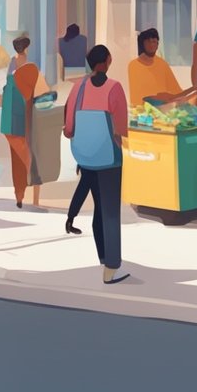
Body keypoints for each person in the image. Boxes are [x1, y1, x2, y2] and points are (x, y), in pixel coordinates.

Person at [63, 46, 130, 284]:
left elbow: (69, 127)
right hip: (108, 156)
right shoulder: (115, 88)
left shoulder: (77, 88)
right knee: (109, 210)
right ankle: (111, 268)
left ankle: (103, 256)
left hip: (85, 154)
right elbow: (121, 127)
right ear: (107, 61)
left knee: (99, 209)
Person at [1, 35, 50, 208]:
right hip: (26, 121)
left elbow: (6, 93)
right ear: (26, 49)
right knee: (33, 158)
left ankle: (19, 196)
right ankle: (35, 200)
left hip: (9, 123)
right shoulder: (31, 70)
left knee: (18, 160)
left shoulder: (11, 72)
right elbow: (44, 94)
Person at [128, 28, 196, 107]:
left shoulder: (162, 64)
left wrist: (193, 90)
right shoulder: (133, 66)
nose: (152, 45)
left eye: (154, 41)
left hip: (164, 110)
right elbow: (135, 99)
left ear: (157, 44)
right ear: (142, 44)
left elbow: (176, 91)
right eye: (148, 42)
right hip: (143, 112)